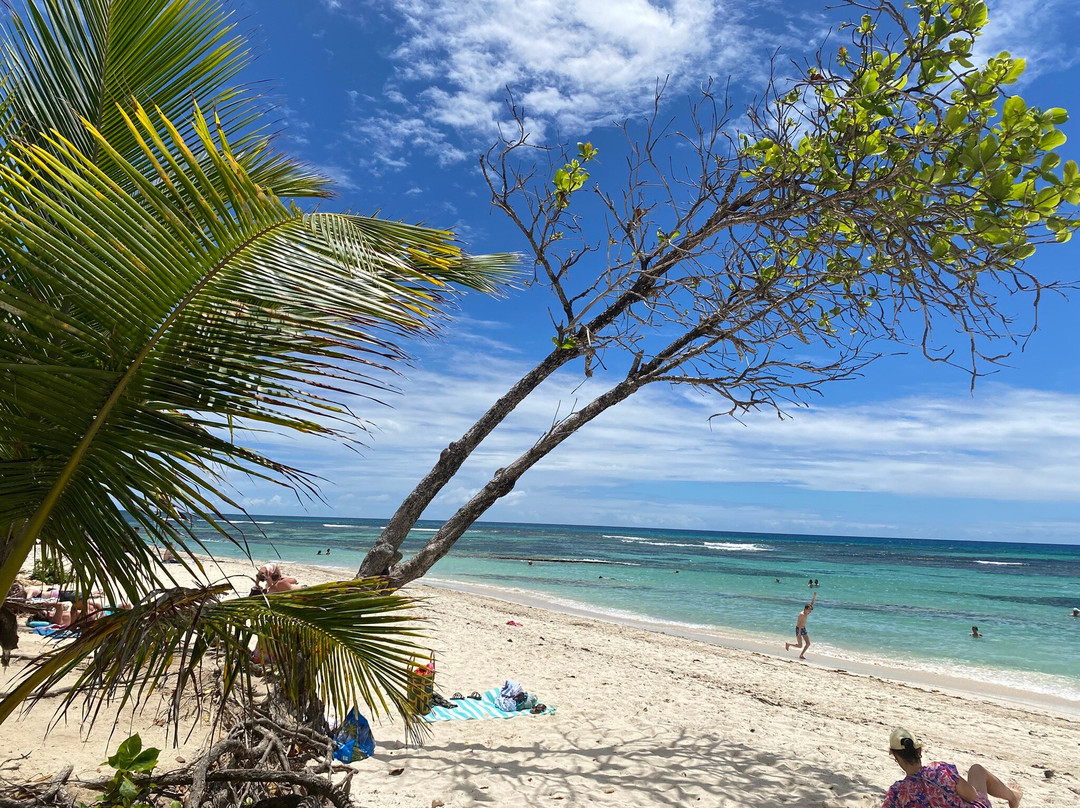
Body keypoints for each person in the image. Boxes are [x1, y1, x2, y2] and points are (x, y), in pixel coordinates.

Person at [881, 727, 1021, 808]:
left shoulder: (897, 793)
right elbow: (972, 795)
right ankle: (1013, 797)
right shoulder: (940, 770)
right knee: (976, 770)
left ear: (895, 756)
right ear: (919, 751)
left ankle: (1014, 796)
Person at [785, 591, 817, 659]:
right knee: (800, 645)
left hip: (803, 628)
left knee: (808, 643)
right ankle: (788, 644)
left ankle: (801, 655)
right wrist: (799, 633)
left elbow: (812, 603)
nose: (810, 612)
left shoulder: (806, 612)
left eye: (810, 611)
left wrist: (814, 596)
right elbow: (799, 624)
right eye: (809, 611)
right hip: (799, 629)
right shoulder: (801, 614)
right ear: (805, 609)